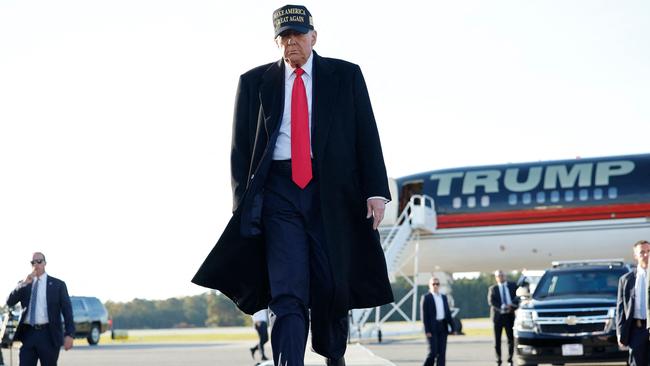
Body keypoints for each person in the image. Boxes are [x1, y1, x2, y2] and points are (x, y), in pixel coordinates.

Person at [192, 4, 393, 366]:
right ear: (276, 43)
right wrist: (243, 206)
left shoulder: (346, 76)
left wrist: (375, 191)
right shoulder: (254, 82)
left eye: (298, 35)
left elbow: (367, 134)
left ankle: (333, 354)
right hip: (278, 192)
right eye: (284, 38)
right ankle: (288, 361)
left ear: (314, 37)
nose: (291, 43)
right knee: (287, 290)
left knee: (331, 285)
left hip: (331, 193)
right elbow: (240, 151)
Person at [6, 252, 75, 366]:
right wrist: (23, 284)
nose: (36, 264)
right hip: (28, 334)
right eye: (33, 262)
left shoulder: (58, 285)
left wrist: (70, 334)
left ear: (45, 263)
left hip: (48, 334)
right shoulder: (25, 284)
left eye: (39, 261)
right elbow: (10, 302)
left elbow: (67, 311)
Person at [616, 240, 650, 366]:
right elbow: (620, 309)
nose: (646, 255)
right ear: (635, 256)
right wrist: (620, 333)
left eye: (649, 251)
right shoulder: (626, 280)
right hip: (637, 329)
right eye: (642, 252)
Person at [487, 270, 519, 366]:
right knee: (497, 341)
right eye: (499, 276)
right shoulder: (493, 288)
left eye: (502, 275)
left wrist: (512, 306)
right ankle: (499, 361)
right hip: (498, 317)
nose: (501, 277)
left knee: (511, 339)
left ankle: (510, 360)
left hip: (509, 316)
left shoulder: (513, 286)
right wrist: (502, 306)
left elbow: (518, 297)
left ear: (505, 276)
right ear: (496, 278)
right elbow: (491, 301)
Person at [421, 277, 454, 366]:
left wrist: (453, 327)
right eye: (433, 284)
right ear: (429, 285)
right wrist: (427, 330)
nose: (435, 286)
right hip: (432, 328)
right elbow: (424, 316)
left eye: (437, 284)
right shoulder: (426, 298)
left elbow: (447, 313)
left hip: (442, 326)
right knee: (433, 352)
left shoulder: (443, 297)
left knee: (442, 353)